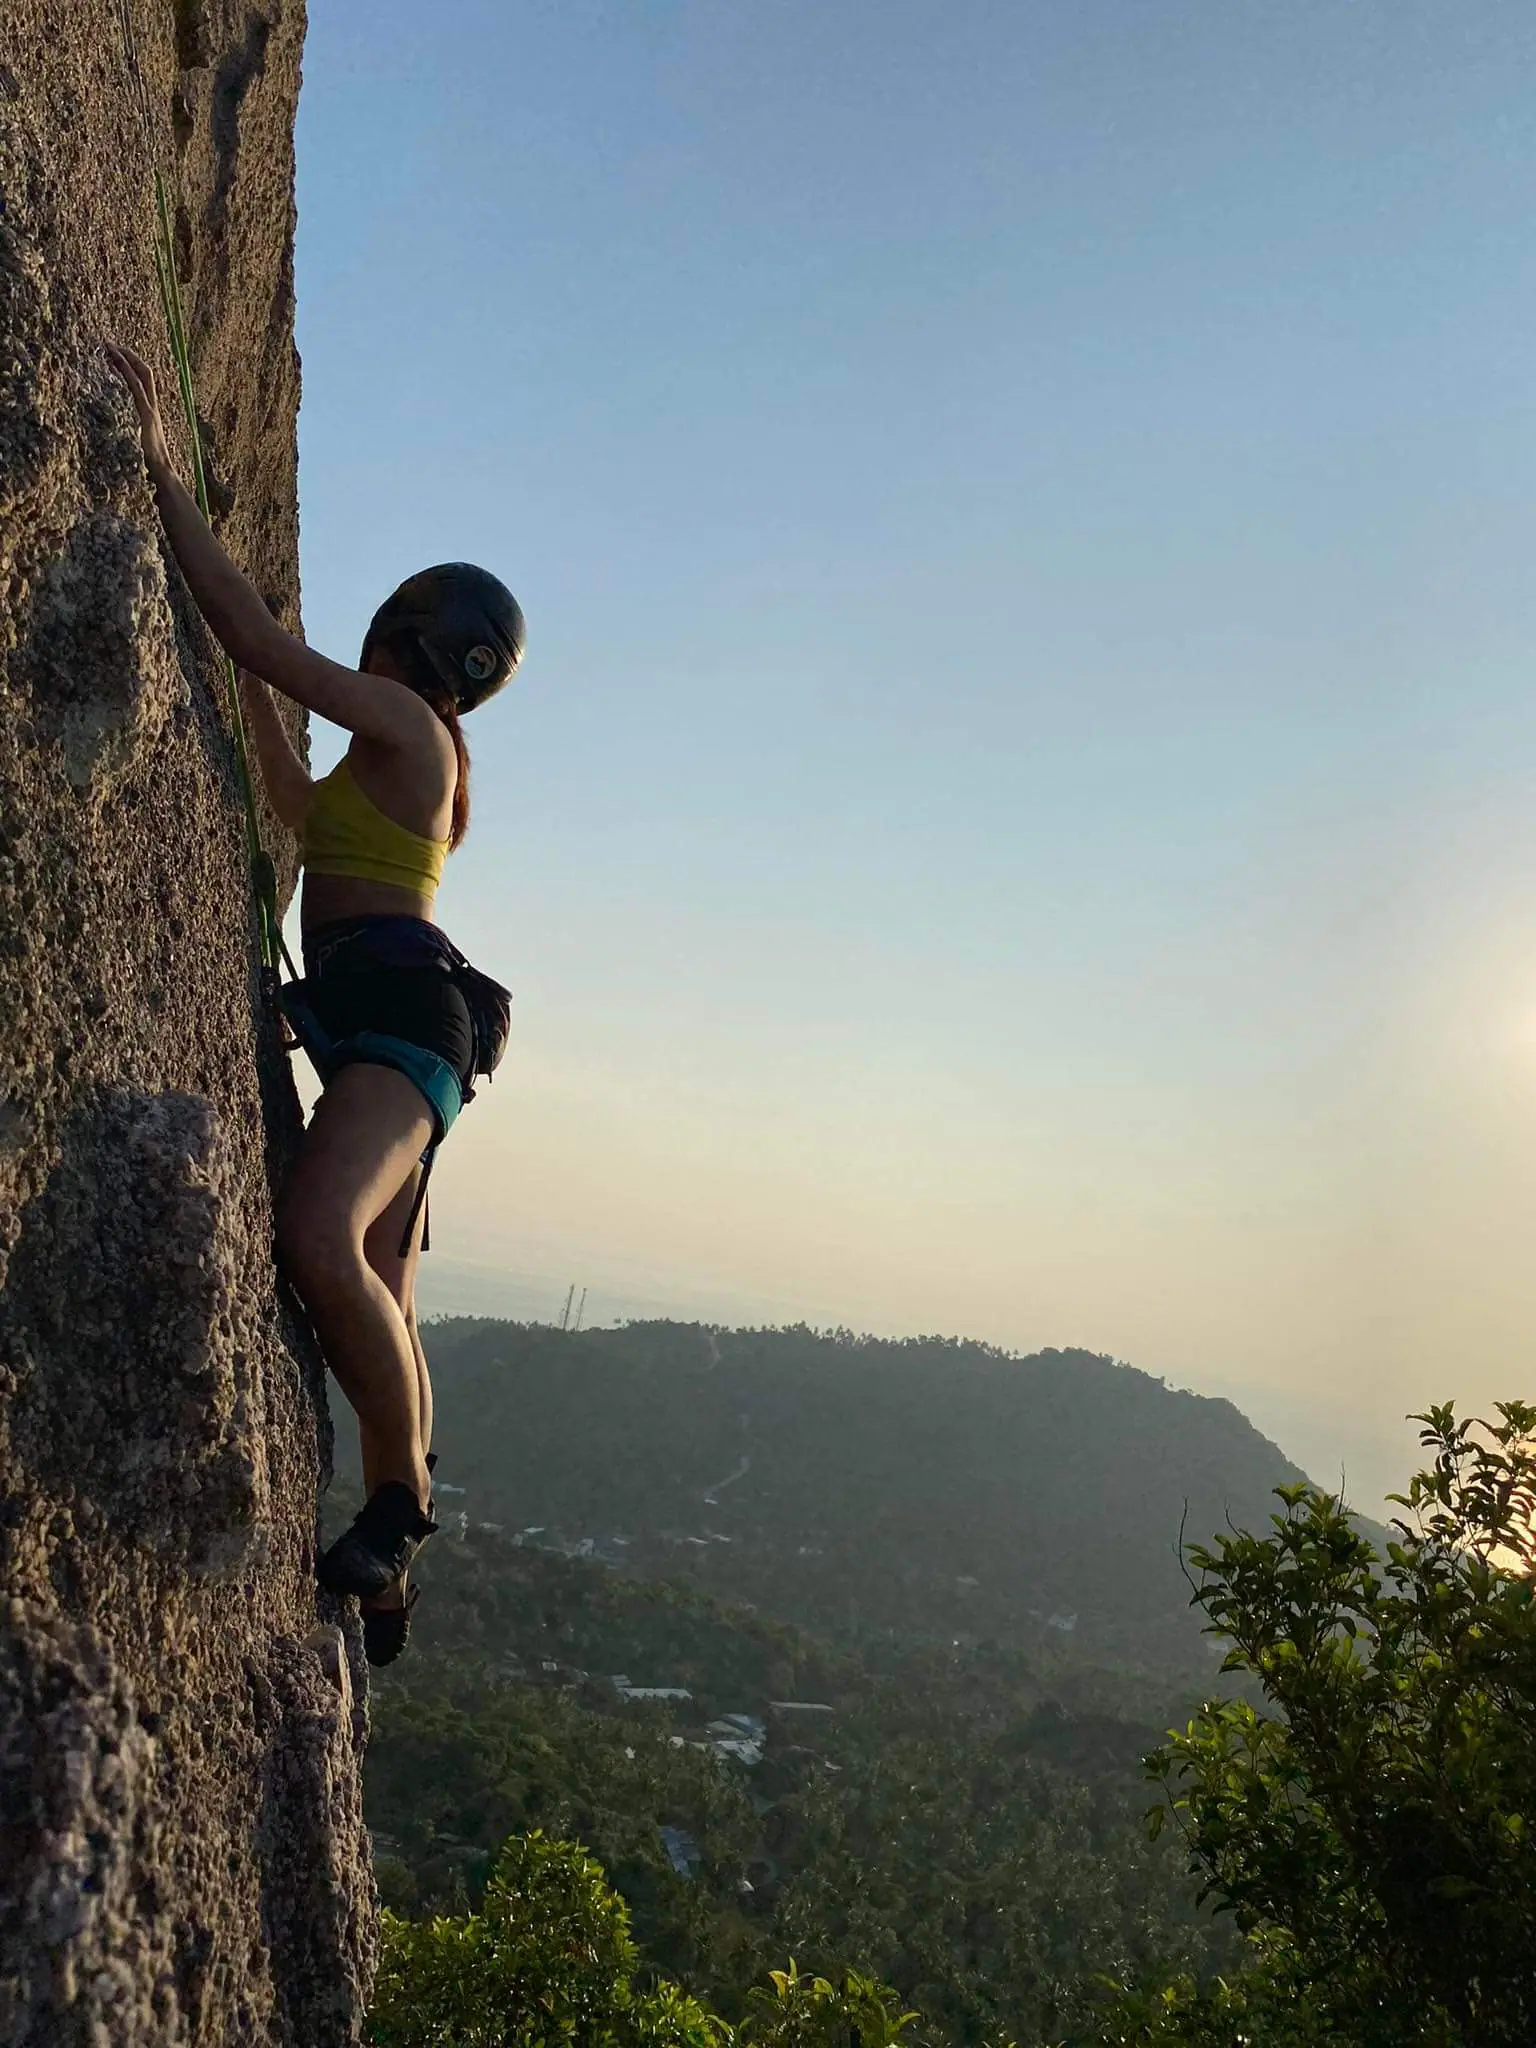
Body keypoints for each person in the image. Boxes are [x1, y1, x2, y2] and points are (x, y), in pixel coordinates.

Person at [105, 341, 524, 1664]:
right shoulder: (401, 755)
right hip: (392, 1017)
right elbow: (292, 807)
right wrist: (246, 689)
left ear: (405, 639)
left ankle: (401, 1509)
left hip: (403, 1017)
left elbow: (248, 628)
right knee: (383, 1285)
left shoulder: (408, 728)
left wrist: (160, 470)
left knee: (318, 1240)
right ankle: (394, 1556)